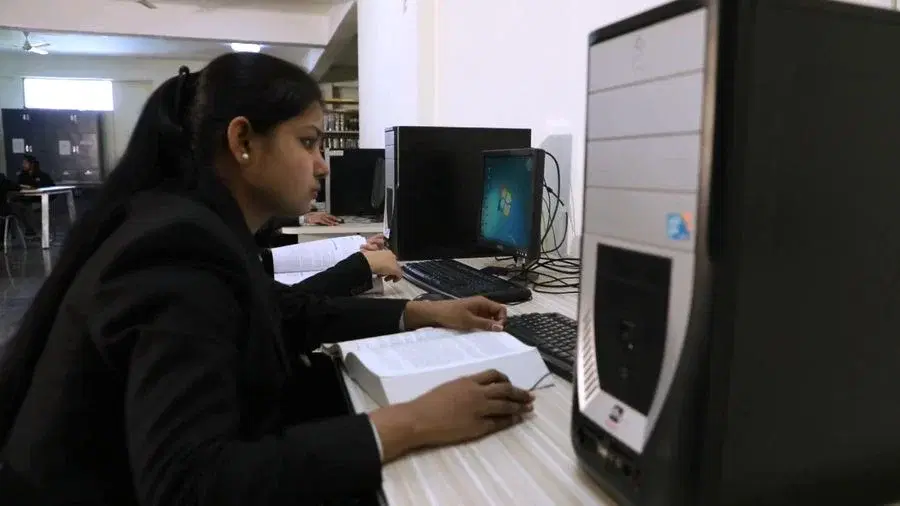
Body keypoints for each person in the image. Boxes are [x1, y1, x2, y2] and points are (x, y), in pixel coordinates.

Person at [0, 54, 532, 506]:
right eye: (308, 143)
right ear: (243, 141)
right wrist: (410, 423)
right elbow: (188, 484)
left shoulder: (194, 226)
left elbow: (282, 310)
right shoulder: (174, 251)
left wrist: (423, 312)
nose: (323, 167)